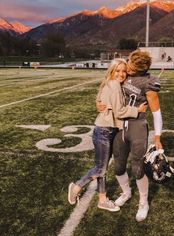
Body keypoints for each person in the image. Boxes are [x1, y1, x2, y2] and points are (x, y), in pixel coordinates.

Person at [68, 58, 147, 212]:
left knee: (102, 167)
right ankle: (76, 187)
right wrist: (137, 110)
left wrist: (99, 104)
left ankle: (102, 200)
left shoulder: (110, 83)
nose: (121, 74)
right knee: (100, 169)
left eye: (124, 71)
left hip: (107, 131)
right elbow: (119, 111)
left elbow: (100, 100)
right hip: (104, 131)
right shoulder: (114, 85)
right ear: (112, 71)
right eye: (117, 70)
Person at [97, 50, 163, 222]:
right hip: (119, 125)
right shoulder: (122, 74)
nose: (128, 67)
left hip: (137, 126)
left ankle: (143, 202)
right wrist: (99, 103)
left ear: (140, 69)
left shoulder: (149, 83)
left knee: (138, 168)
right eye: (129, 63)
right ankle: (126, 192)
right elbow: (106, 89)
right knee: (118, 166)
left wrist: (157, 137)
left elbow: (156, 112)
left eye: (132, 67)